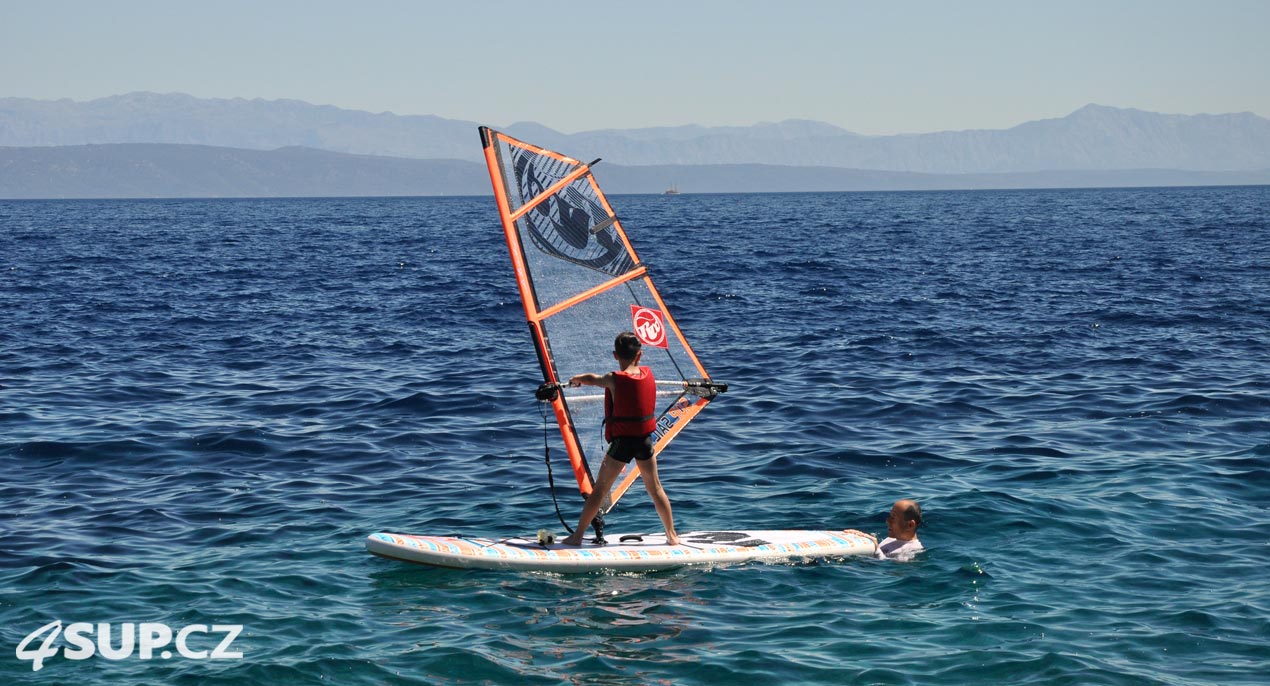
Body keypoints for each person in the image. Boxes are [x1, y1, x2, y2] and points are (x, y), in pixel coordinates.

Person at [560, 332, 680, 547]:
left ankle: (577, 537)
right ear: (640, 355)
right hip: (644, 440)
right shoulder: (646, 373)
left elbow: (592, 379)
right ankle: (672, 536)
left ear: (616, 355)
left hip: (622, 443)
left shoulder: (614, 379)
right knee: (655, 488)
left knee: (599, 492)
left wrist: (575, 379)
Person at [847, 499, 924, 561]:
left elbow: (892, 570)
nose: (887, 521)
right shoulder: (890, 539)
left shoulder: (913, 550)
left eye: (893, 517)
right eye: (890, 516)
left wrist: (876, 548)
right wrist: (862, 538)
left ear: (910, 525)